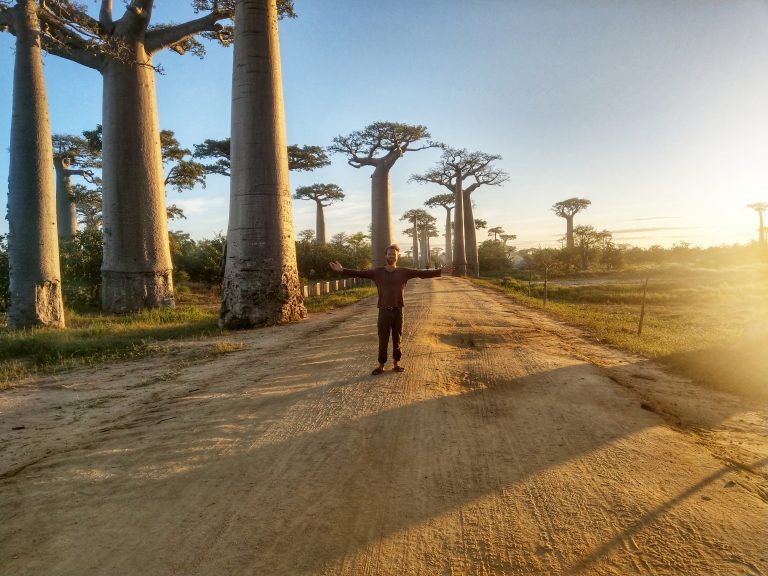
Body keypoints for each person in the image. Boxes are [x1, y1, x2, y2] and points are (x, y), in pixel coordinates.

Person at [329, 244, 453, 375]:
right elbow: (359, 273)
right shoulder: (377, 272)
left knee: (397, 339)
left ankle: (396, 363)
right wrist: (342, 270)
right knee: (383, 339)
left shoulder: (404, 272)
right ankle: (381, 365)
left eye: (394, 254)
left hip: (398, 311)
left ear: (397, 256)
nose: (391, 256)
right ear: (385, 256)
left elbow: (422, 274)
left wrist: (440, 271)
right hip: (383, 311)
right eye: (389, 254)